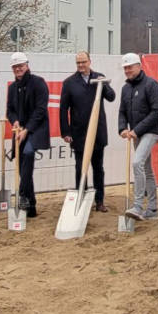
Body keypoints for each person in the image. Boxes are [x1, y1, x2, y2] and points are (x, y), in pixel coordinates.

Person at [59, 51, 115, 212]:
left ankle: (99, 201)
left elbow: (111, 97)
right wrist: (65, 132)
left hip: (97, 132)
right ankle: (81, 199)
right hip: (79, 133)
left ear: (90, 61)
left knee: (98, 168)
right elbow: (63, 109)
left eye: (83, 62)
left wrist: (103, 85)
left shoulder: (99, 77)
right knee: (80, 168)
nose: (81, 65)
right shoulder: (69, 83)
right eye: (78, 63)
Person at [117, 52, 158, 221]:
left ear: (139, 66)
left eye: (130, 67)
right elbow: (122, 111)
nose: (127, 70)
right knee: (147, 170)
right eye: (125, 68)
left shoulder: (152, 85)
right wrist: (122, 128)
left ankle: (137, 206)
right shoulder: (125, 88)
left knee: (137, 163)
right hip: (135, 134)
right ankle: (152, 209)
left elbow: (157, 112)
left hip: (151, 131)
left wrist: (137, 130)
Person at [5, 51, 50, 218]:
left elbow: (40, 110)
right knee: (22, 165)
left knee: (28, 153)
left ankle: (22, 195)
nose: (18, 69)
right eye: (15, 67)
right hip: (20, 130)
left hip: (36, 128)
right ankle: (31, 207)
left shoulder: (38, 83)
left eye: (20, 66)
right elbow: (9, 110)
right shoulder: (12, 87)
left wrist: (27, 129)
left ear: (27, 66)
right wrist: (15, 121)